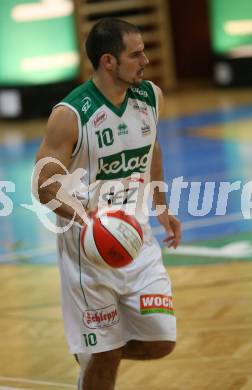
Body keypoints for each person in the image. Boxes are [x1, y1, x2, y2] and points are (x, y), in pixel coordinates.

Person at [34, 18, 181, 390]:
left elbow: (152, 148)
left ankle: (92, 347)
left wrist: (161, 205)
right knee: (105, 351)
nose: (145, 60)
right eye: (136, 54)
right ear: (108, 61)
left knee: (161, 341)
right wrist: (87, 218)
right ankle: (96, 347)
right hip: (89, 250)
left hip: (138, 238)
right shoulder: (70, 115)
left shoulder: (151, 97)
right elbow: (43, 184)